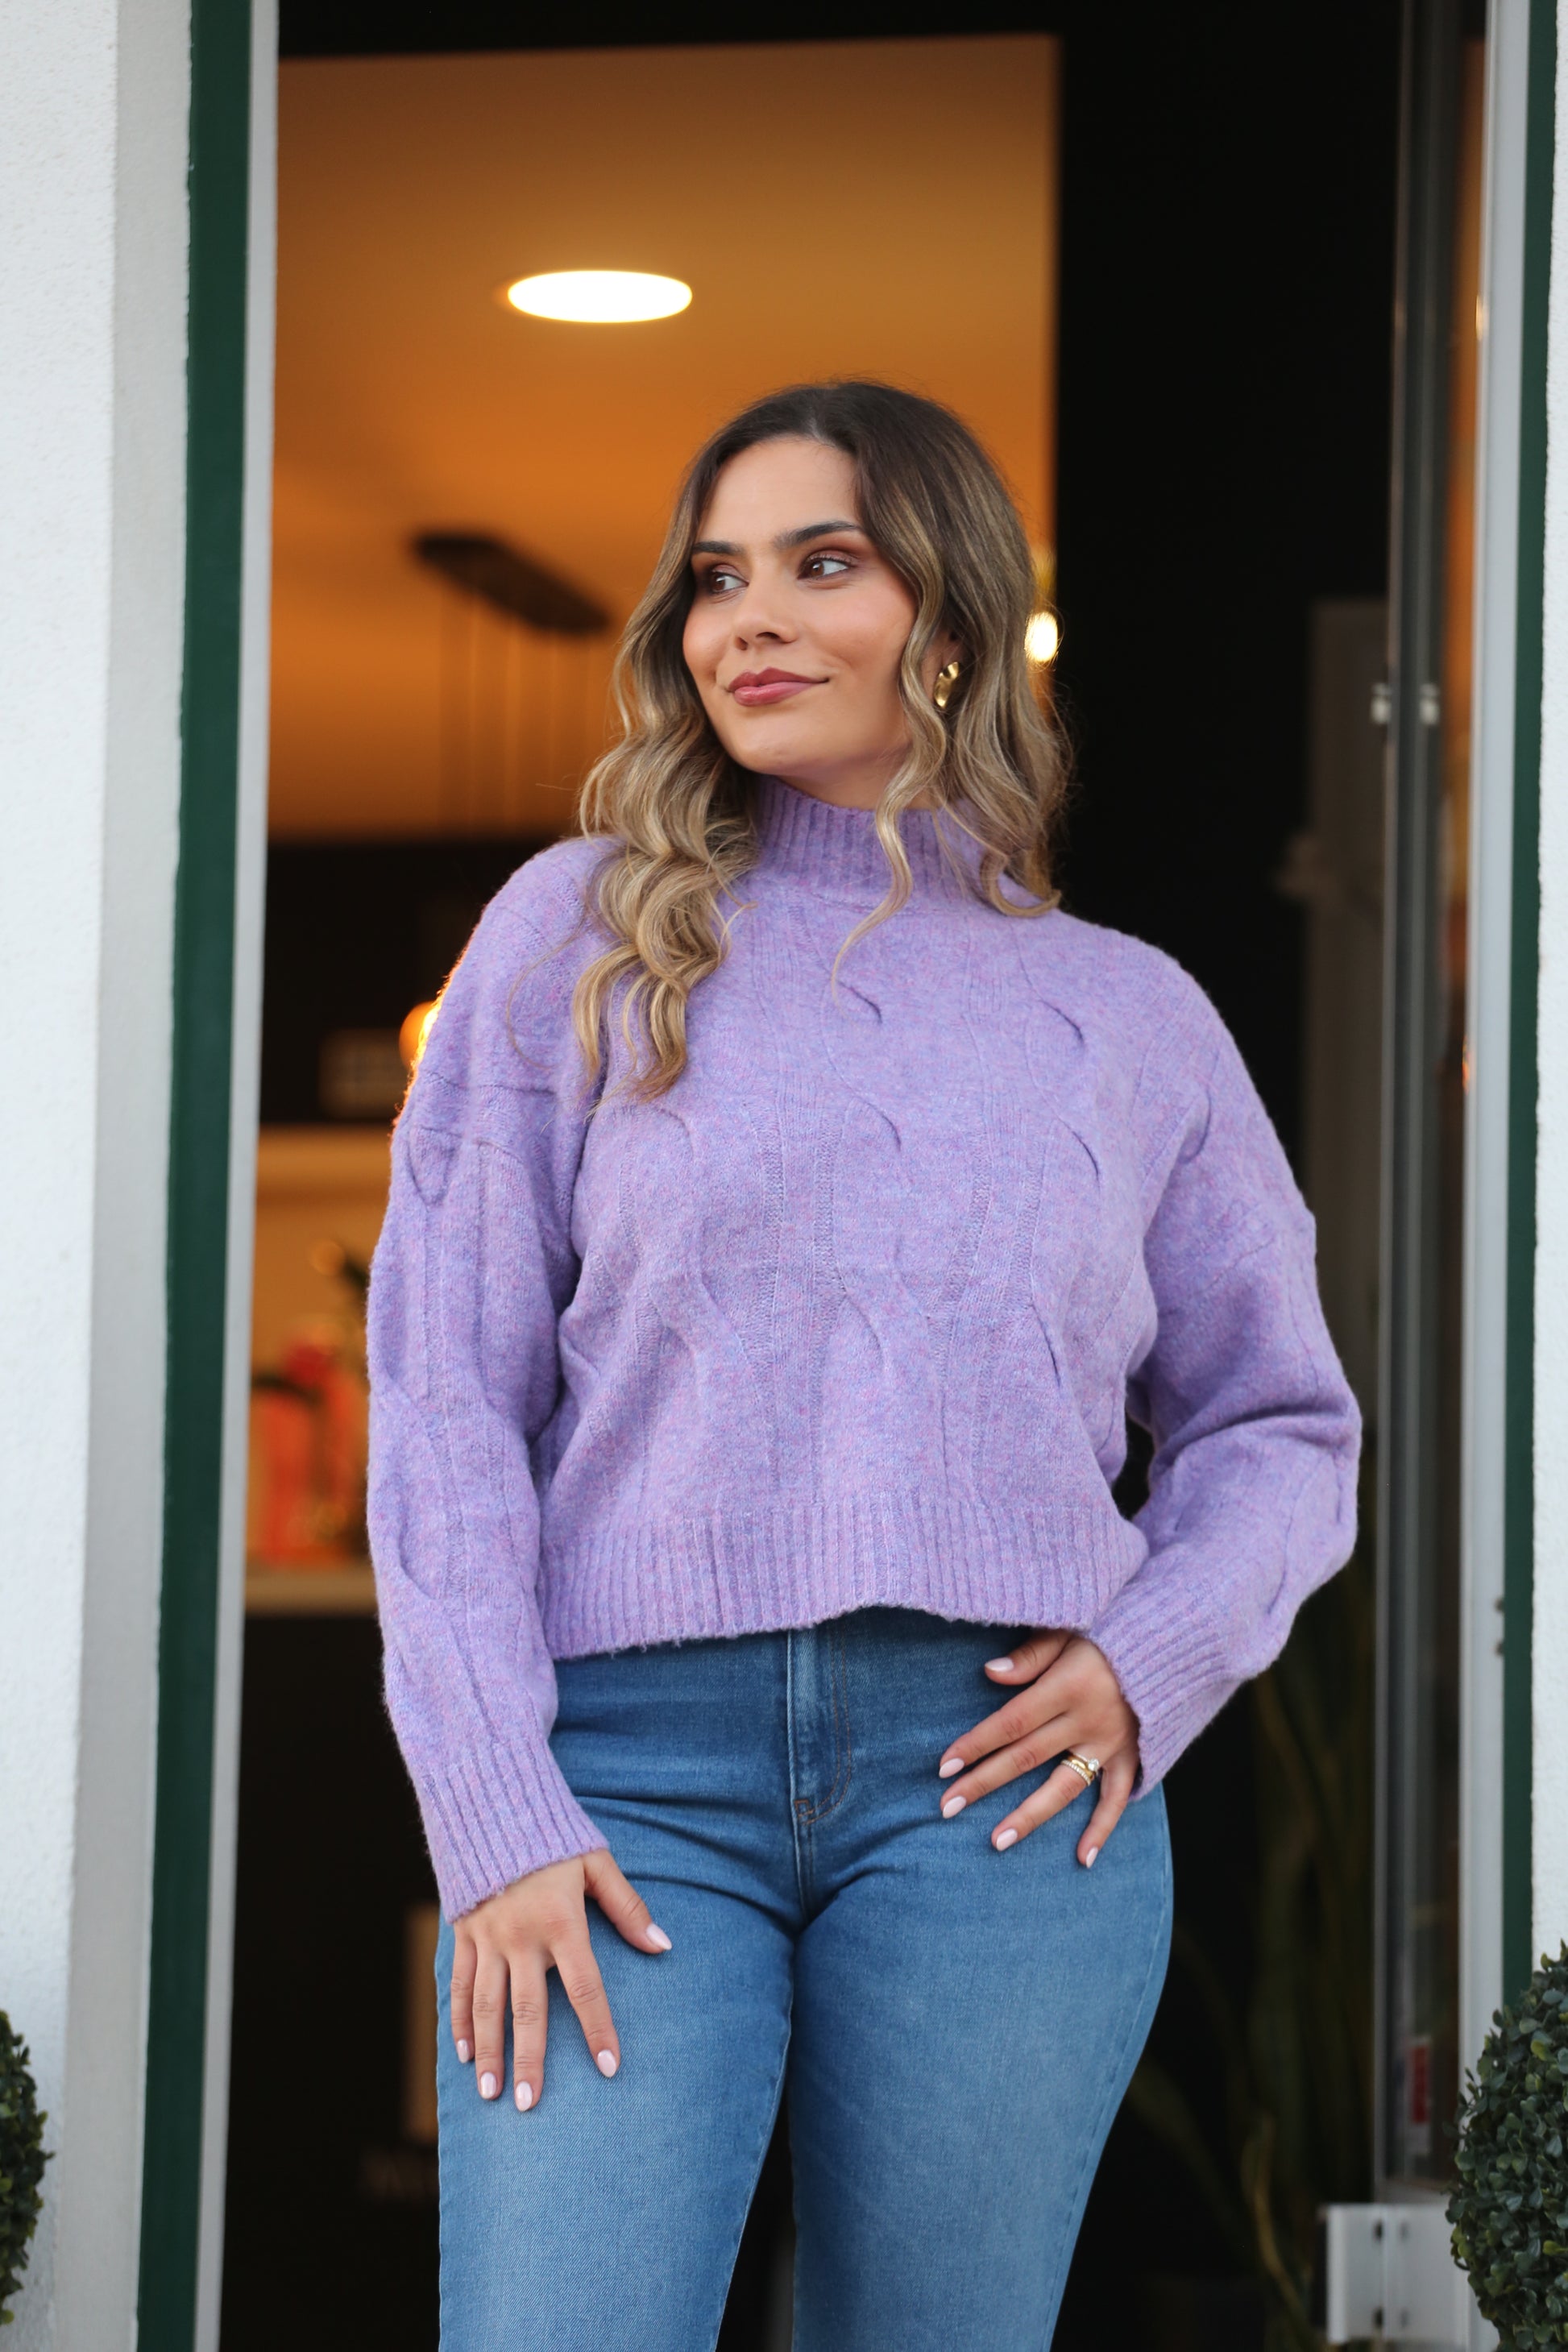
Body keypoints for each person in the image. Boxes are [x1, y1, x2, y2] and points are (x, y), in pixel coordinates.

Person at [367, 379, 1360, 2350]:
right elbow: (442, 1397)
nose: (748, 617)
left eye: (821, 563)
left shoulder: (1130, 1017)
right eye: (716, 575)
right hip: (620, 1775)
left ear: (955, 619)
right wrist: (492, 1804)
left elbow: (1279, 1421)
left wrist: (1152, 1653)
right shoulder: (576, 933)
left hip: (998, 1791)